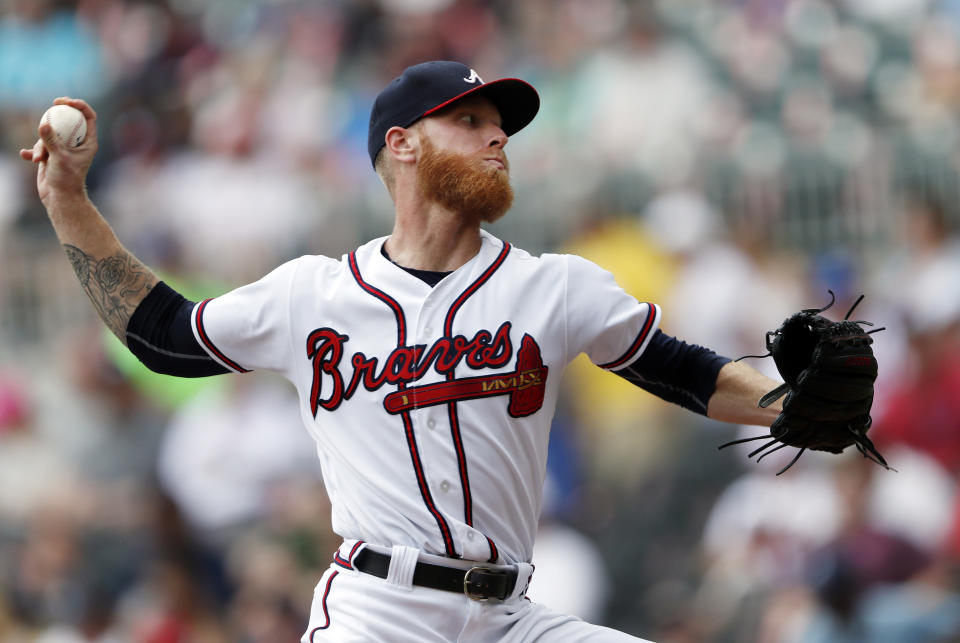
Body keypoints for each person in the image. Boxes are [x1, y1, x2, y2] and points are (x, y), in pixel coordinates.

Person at [21, 61, 783, 642]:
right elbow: (161, 335)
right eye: (472, 119)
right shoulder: (312, 295)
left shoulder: (554, 287)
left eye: (502, 126)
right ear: (403, 143)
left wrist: (792, 403)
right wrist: (68, 202)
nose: (497, 137)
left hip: (510, 614)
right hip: (380, 611)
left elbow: (685, 369)